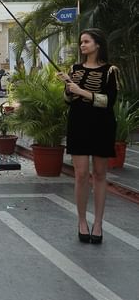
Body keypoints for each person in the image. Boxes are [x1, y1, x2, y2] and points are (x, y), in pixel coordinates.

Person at [57, 29, 119, 245]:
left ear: (97, 44)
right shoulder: (75, 69)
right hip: (78, 123)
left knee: (100, 174)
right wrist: (68, 88)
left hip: (102, 125)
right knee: (81, 174)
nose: (82, 45)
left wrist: (80, 91)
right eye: (81, 42)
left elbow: (108, 101)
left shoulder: (110, 71)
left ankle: (98, 223)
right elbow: (68, 100)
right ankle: (82, 221)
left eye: (86, 41)